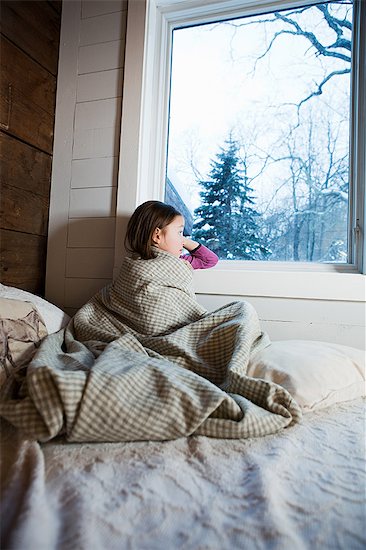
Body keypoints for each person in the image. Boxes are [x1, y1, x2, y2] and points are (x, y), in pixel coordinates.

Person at [124, 200, 218, 269]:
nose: (183, 240)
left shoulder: (178, 260)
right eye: (179, 232)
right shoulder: (137, 266)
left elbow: (210, 260)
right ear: (157, 236)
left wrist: (182, 240)